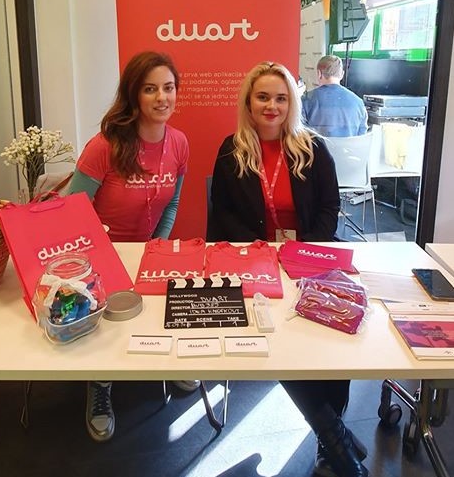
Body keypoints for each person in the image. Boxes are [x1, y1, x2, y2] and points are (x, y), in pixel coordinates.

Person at [209, 61, 368, 477]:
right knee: (277, 343)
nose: (272, 106)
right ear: (249, 102)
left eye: (281, 98)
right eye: (263, 97)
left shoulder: (313, 147)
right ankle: (335, 439)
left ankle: (330, 437)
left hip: (310, 259)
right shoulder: (231, 150)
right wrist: (262, 251)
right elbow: (222, 214)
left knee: (332, 341)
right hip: (255, 263)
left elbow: (330, 206)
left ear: (292, 103)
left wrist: (303, 250)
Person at [69, 51, 198, 442]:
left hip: (149, 250)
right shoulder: (104, 146)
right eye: (150, 89)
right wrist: (105, 256)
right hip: (100, 255)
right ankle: (100, 385)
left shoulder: (179, 142)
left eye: (168, 88)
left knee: (161, 309)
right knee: (105, 327)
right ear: (133, 95)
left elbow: (173, 201)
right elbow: (74, 210)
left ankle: (169, 363)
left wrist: (156, 247)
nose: (162, 98)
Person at [302, 55, 368, 137]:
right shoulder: (359, 103)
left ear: (319, 74)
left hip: (317, 146)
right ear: (342, 74)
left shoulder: (306, 100)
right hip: (349, 146)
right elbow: (362, 137)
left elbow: (299, 135)